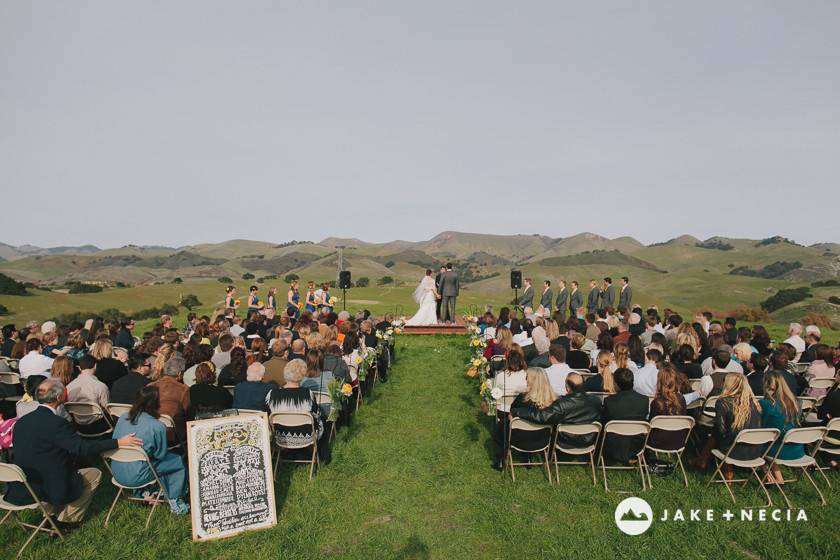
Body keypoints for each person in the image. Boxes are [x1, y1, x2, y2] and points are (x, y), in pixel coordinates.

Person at [4, 378, 142, 530]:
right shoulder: (56, 423)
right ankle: (66, 520)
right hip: (48, 485)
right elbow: (82, 448)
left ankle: (49, 515)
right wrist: (118, 442)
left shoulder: (22, 421)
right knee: (94, 474)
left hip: (26, 483)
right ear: (58, 397)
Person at [111, 385, 189, 514]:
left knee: (149, 460)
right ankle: (175, 500)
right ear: (156, 404)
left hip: (117, 471)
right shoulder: (157, 426)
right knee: (177, 462)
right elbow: (160, 455)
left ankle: (146, 492)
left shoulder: (123, 418)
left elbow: (116, 441)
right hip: (138, 475)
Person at [511, 371, 602, 450]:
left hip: (566, 441)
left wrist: (517, 411)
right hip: (589, 440)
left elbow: (542, 416)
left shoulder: (561, 404)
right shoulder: (596, 400)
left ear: (567, 386)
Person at [265, 359, 330, 463]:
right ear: (302, 375)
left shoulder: (272, 394)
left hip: (280, 437)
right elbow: (316, 414)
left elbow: (267, 415)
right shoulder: (308, 394)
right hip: (306, 437)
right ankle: (324, 457)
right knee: (323, 420)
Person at [487, 345, 529, 470]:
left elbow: (494, 392)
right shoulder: (525, 375)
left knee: (500, 431)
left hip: (504, 411)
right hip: (521, 412)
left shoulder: (501, 376)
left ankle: (500, 459)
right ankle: (526, 456)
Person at [760, 371, 804, 485]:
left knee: (755, 441)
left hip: (777, 448)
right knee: (774, 439)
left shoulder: (765, 403)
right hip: (797, 449)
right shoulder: (796, 402)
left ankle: (767, 474)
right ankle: (779, 478)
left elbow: (761, 426)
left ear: (766, 384)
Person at [602, 368, 650, 463]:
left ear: (616, 384)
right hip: (636, 447)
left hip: (614, 448)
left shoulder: (609, 401)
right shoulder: (644, 400)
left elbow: (605, 423)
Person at [66, 355, 111, 433]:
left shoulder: (69, 387)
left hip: (78, 427)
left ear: (79, 368)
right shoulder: (100, 386)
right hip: (99, 427)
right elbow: (108, 408)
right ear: (95, 366)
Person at [648, 364, 689, 450]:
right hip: (678, 442)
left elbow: (651, 425)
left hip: (657, 443)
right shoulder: (682, 399)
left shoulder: (656, 403)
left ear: (659, 382)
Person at [149, 357, 190, 434]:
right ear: (180, 373)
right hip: (173, 432)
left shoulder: (150, 386)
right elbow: (187, 411)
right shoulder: (183, 389)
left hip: (150, 428)